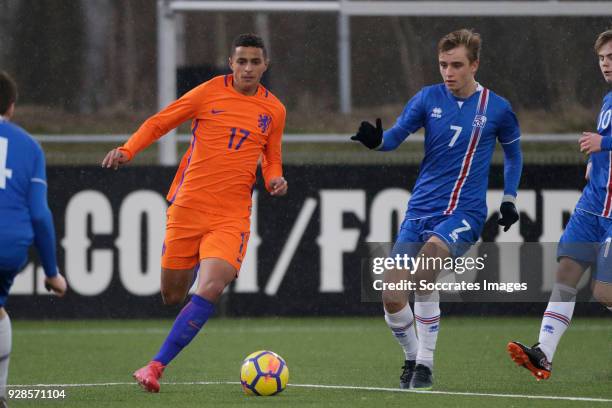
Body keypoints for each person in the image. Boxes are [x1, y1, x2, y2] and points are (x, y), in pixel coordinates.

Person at [102, 33, 287, 393]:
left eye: (255, 61)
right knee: (172, 295)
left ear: (265, 65)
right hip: (188, 206)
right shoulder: (207, 93)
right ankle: (182, 305)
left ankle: (155, 366)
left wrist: (275, 178)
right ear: (230, 63)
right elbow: (160, 122)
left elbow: (272, 156)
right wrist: (128, 150)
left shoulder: (274, 110)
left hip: (231, 216)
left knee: (212, 285)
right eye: (241, 61)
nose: (248, 68)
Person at [351, 29, 523, 389]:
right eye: (444, 65)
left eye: (457, 65)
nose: (449, 72)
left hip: (464, 213)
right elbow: (395, 137)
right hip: (419, 211)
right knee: (391, 293)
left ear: (474, 65)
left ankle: (426, 366)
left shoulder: (497, 108)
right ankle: (413, 358)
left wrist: (509, 199)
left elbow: (513, 154)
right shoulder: (427, 99)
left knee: (426, 269)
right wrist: (377, 142)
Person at [507, 29, 612, 381]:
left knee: (604, 292)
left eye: (611, 57)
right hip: (592, 204)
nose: (606, 64)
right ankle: (543, 354)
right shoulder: (610, 98)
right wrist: (597, 162)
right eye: (601, 58)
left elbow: (606, 142)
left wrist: (605, 143)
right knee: (567, 272)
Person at [0, 71, 67, 407]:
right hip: (10, 246)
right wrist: (52, 271)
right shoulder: (28, 145)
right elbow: (40, 214)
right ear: (11, 107)